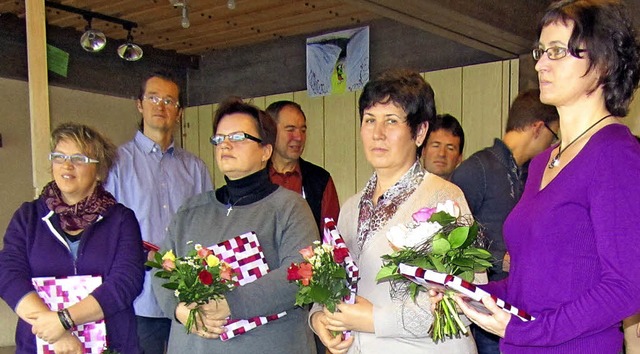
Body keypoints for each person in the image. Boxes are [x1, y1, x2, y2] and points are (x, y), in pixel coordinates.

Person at [452, 1, 640, 353]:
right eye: (541, 51)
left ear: (602, 64)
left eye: (557, 51)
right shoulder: (542, 163)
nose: (540, 63)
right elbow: (528, 285)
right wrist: (469, 293)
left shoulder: (615, 153)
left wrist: (528, 331)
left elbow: (625, 288)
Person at [310, 69, 477, 354]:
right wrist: (319, 318)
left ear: (420, 131)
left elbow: (465, 299)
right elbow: (334, 281)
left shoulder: (444, 199)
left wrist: (375, 319)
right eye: (369, 120)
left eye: (391, 121)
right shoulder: (350, 208)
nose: (377, 133)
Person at [151, 98, 318, 354]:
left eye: (238, 137)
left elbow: (299, 275)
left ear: (266, 151)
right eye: (218, 139)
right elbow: (162, 270)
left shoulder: (289, 208)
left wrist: (230, 302)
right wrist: (178, 309)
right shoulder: (190, 211)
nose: (225, 145)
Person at [0, 122, 144, 353]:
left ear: (99, 171)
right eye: (59, 156)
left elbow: (126, 281)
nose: (67, 165)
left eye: (79, 159)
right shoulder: (27, 217)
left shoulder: (121, 220)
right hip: (41, 345)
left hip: (111, 344)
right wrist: (55, 332)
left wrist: (64, 321)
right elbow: (8, 275)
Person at [105, 71, 213, 354]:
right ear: (139, 104)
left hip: (187, 293)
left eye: (169, 100)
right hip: (138, 296)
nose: (161, 106)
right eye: (153, 98)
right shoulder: (117, 164)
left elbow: (208, 227)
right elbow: (105, 230)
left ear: (179, 111)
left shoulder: (195, 168)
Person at [450, 89, 558, 354]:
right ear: (538, 128)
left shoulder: (533, 174)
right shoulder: (477, 169)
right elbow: (450, 243)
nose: (554, 145)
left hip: (521, 305)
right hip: (488, 308)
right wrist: (502, 260)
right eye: (554, 137)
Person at [266, 100, 340, 232]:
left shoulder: (320, 180)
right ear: (270, 132)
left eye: (303, 130)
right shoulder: (255, 177)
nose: (299, 137)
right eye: (290, 129)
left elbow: (331, 237)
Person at [421, 113, 465, 180]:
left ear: (459, 158)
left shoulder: (464, 190)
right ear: (423, 151)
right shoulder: (406, 188)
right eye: (436, 146)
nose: (442, 154)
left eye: (450, 148)